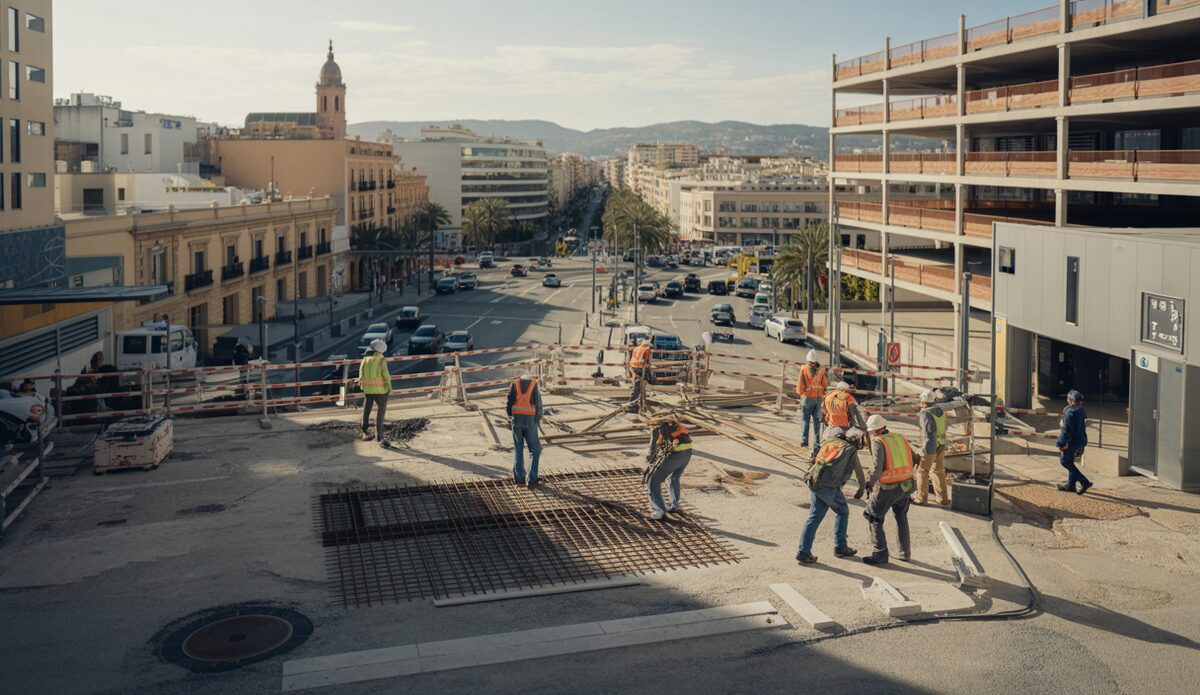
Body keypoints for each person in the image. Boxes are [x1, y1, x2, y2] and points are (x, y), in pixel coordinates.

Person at [796, 427, 866, 565]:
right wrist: (845, 488)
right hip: (828, 486)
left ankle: (803, 552)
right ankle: (840, 547)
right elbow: (847, 474)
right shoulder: (850, 449)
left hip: (814, 481)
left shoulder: (829, 442)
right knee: (843, 511)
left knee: (814, 517)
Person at [862, 415, 917, 565]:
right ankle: (904, 552)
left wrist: (868, 483)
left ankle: (880, 554)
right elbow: (915, 458)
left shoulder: (879, 442)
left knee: (873, 516)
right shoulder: (900, 437)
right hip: (906, 486)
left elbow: (877, 468)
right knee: (901, 516)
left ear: (875, 430)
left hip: (888, 487)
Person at [645, 419, 693, 520]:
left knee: (652, 479)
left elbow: (658, 442)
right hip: (688, 453)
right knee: (673, 477)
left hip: (676, 455)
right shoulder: (675, 424)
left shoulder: (660, 428)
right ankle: (674, 506)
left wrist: (651, 457)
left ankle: (658, 510)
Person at [506, 374, 543, 487]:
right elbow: (538, 404)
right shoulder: (534, 384)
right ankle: (531, 478)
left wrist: (511, 416)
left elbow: (509, 403)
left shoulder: (514, 383)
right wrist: (537, 420)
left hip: (516, 420)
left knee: (518, 448)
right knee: (535, 449)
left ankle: (519, 477)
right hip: (530, 420)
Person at [914, 390, 950, 505]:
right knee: (938, 471)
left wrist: (925, 449)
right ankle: (942, 499)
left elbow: (929, 433)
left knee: (922, 471)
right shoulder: (940, 410)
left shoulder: (925, 413)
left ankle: (921, 498)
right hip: (941, 443)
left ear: (924, 401)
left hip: (931, 446)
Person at [1056, 389, 1092, 495]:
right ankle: (1071, 486)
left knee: (1065, 462)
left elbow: (1067, 431)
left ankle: (1084, 481)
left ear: (1071, 400)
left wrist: (1061, 443)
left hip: (1072, 442)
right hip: (1081, 440)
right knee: (1070, 462)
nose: (1067, 400)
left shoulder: (1070, 413)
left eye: (1068, 398)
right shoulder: (1081, 411)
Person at [357, 338, 391, 445]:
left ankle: (364, 429)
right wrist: (389, 388)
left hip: (368, 390)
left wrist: (363, 386)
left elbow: (361, 374)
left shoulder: (365, 359)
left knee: (367, 408)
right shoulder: (381, 360)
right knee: (381, 410)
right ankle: (379, 435)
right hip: (380, 390)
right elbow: (386, 376)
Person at [796, 350, 828, 448]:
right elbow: (824, 383)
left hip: (807, 398)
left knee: (805, 419)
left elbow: (800, 383)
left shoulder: (804, 368)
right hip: (818, 398)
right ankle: (817, 442)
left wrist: (800, 393)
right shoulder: (821, 370)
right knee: (817, 421)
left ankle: (804, 441)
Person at [627, 337, 653, 409]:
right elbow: (646, 361)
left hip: (633, 368)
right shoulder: (647, 349)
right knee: (638, 388)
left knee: (637, 387)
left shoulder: (636, 348)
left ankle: (634, 403)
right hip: (640, 369)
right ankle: (632, 405)